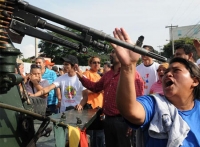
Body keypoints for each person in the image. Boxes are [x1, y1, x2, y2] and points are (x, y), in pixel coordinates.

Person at [112, 27, 200, 147]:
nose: (167, 74)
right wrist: (128, 66)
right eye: (167, 71)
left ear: (195, 81)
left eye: (176, 70)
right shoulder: (154, 104)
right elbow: (130, 110)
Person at [76, 48, 144, 147]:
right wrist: (81, 77)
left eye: (114, 52)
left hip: (124, 121)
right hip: (108, 120)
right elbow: (95, 87)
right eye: (111, 52)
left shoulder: (132, 74)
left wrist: (132, 122)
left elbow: (139, 98)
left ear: (122, 54)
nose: (111, 54)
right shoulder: (108, 74)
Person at [83, 56, 104, 147]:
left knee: (99, 134)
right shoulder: (86, 74)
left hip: (100, 106)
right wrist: (97, 90)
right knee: (90, 134)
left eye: (98, 62)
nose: (97, 64)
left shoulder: (99, 75)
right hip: (90, 106)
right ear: (90, 64)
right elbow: (84, 91)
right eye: (94, 62)